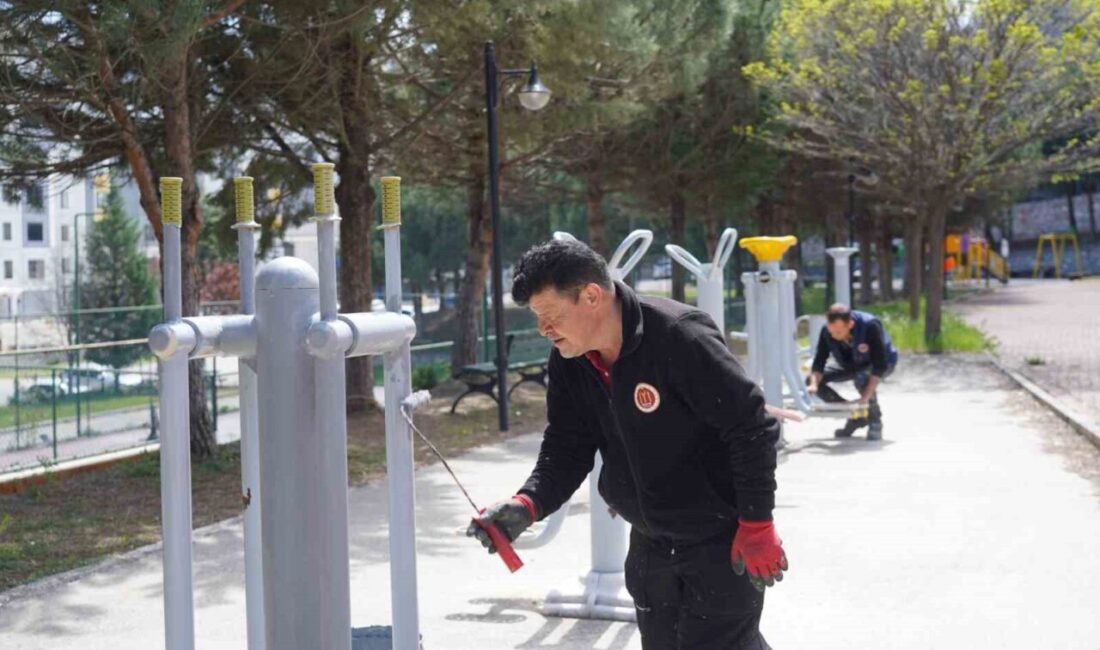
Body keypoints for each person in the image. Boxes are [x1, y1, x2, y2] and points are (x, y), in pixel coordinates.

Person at [467, 239, 786, 649]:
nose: (544, 330)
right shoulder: (571, 356)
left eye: (551, 316)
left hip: (719, 539)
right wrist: (528, 503)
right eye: (537, 318)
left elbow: (751, 426)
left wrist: (757, 523)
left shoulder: (679, 336)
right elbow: (568, 442)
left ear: (591, 296)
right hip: (651, 542)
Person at [807, 303, 898, 440]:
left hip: (882, 362)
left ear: (850, 324)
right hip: (853, 364)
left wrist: (864, 398)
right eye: (832, 331)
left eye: (838, 332)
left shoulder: (870, 326)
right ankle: (855, 415)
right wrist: (813, 385)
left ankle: (874, 421)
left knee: (862, 377)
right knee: (811, 379)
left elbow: (880, 365)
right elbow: (819, 362)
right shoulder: (827, 331)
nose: (834, 335)